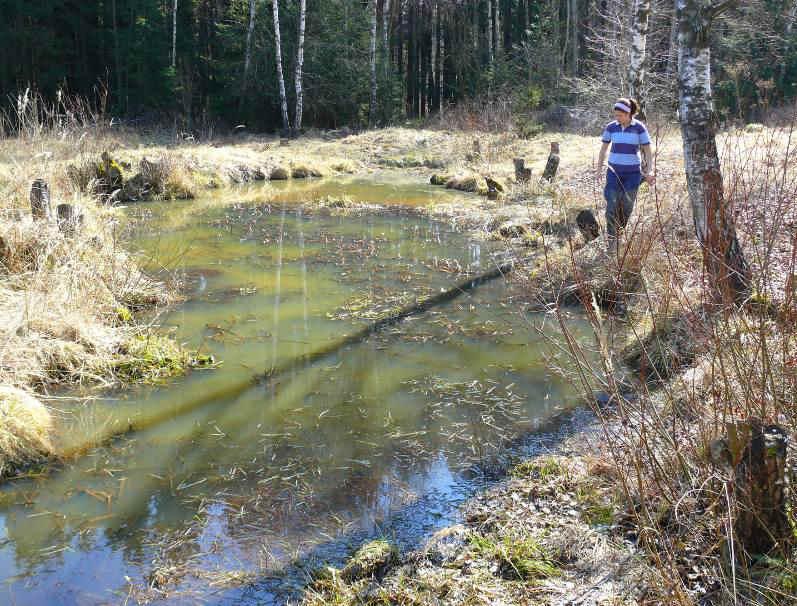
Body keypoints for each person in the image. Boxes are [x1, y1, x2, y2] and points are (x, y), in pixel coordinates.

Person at [596, 98, 655, 256]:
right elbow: (603, 150)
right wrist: (599, 169)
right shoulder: (611, 127)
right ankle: (612, 241)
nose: (617, 118)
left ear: (629, 114)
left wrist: (649, 171)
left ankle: (619, 234)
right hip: (613, 173)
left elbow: (648, 151)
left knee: (626, 208)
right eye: (616, 115)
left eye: (620, 115)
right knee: (611, 206)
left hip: (633, 174)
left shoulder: (639, 128)